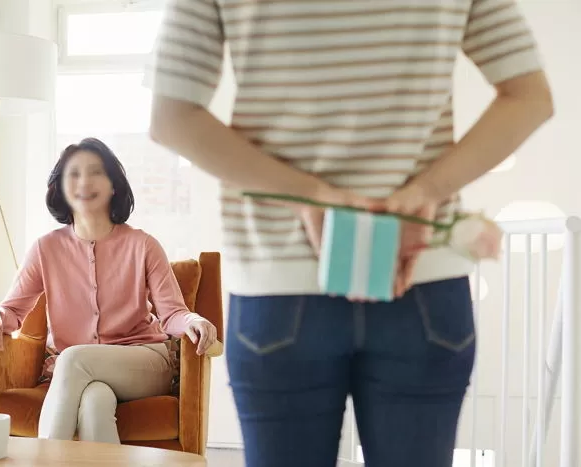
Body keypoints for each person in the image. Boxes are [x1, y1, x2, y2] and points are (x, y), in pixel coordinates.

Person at [147, 1, 553, 466]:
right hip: (422, 280)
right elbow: (530, 96)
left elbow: (171, 116)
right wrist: (424, 193)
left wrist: (309, 195)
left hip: (280, 282)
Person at [0, 138, 217, 444]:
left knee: (72, 359)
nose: (84, 181)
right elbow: (12, 311)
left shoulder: (143, 245)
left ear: (113, 185)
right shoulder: (45, 249)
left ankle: (43, 462)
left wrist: (193, 320)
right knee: (94, 402)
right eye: (73, 174)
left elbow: (172, 314)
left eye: (96, 172)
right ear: (60, 187)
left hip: (144, 363)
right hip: (82, 374)